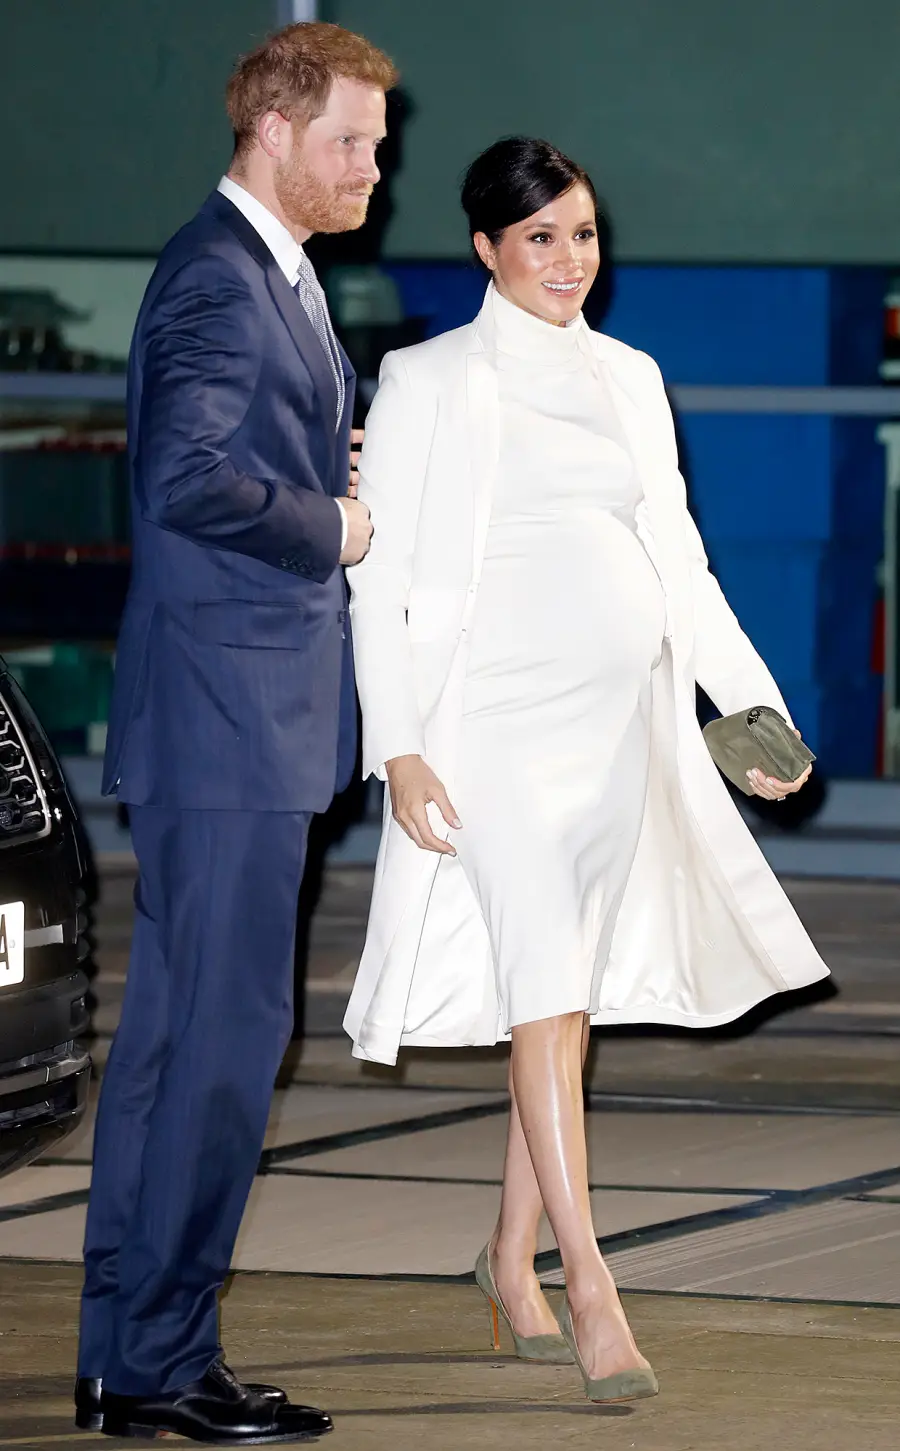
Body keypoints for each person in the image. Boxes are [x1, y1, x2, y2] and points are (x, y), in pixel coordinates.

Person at [344, 136, 830, 1405]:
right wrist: (393, 743)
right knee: (546, 985)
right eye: (543, 237)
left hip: (619, 729)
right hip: (490, 732)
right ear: (487, 251)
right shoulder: (427, 378)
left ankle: (509, 1257)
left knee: (554, 1007)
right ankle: (590, 1280)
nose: (570, 259)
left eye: (585, 234)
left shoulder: (630, 378)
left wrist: (756, 707)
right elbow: (378, 580)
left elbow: (681, 563)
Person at [76, 23, 395, 1445]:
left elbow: (230, 452)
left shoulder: (270, 273)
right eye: (352, 143)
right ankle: (163, 1363)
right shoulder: (220, 274)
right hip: (226, 719)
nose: (374, 169)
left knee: (166, 1047)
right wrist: (331, 522)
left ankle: (123, 1346)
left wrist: (325, 465)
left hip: (230, 716)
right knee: (220, 1042)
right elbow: (190, 474)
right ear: (272, 128)